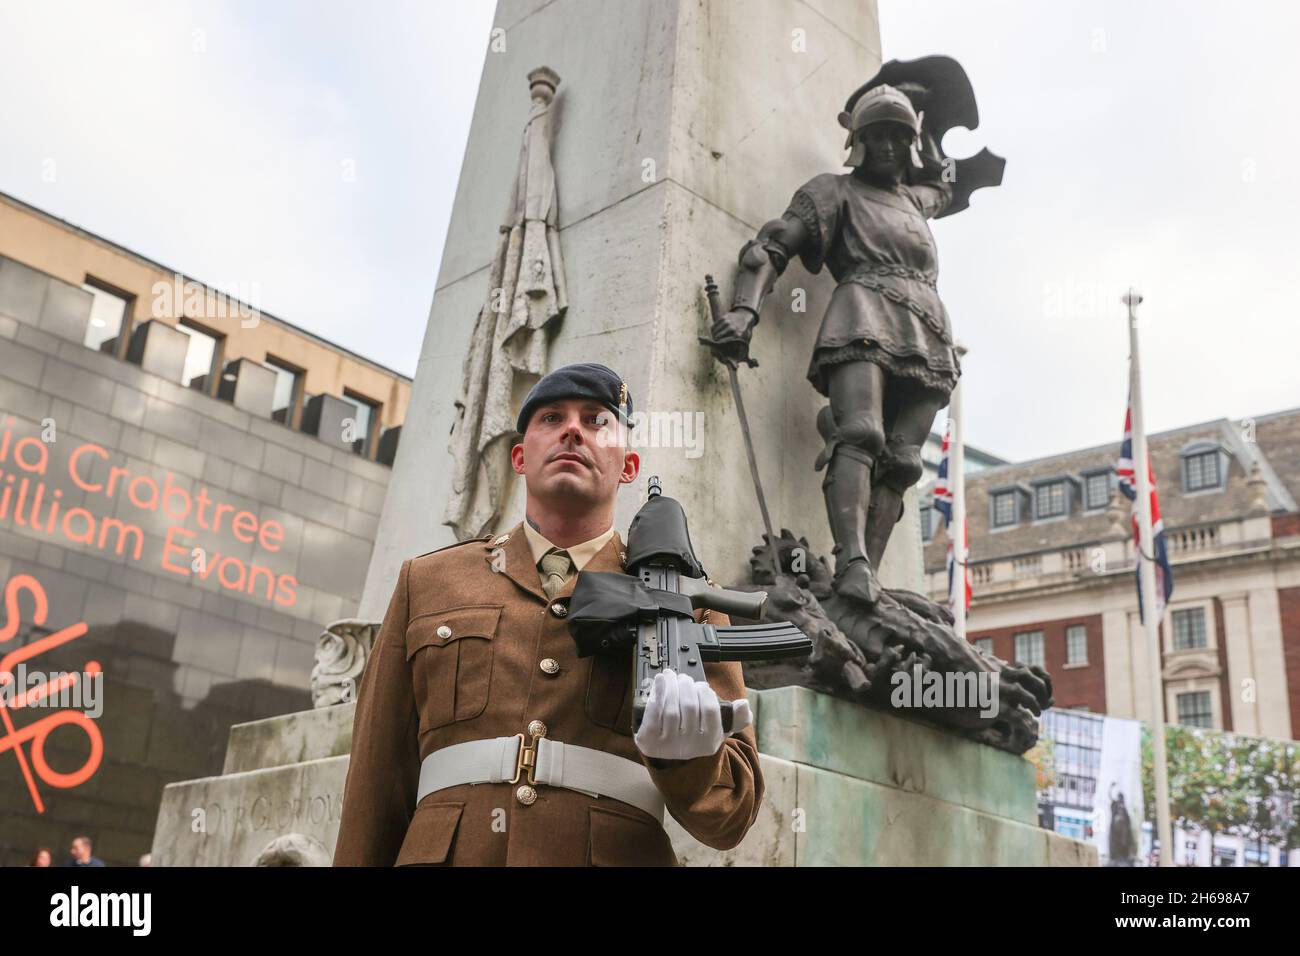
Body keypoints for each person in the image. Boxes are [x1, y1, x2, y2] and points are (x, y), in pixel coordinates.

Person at [334, 363, 764, 866]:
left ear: (628, 465)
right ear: (519, 456)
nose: (573, 430)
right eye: (552, 418)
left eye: (597, 421)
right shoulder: (427, 583)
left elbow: (730, 814)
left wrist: (689, 755)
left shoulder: (688, 600)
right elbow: (374, 783)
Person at [709, 83, 957, 607]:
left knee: (905, 460)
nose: (889, 146)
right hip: (862, 309)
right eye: (878, 135)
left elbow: (943, 184)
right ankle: (852, 562)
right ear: (859, 141)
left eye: (899, 136)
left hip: (928, 329)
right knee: (860, 431)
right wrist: (743, 312)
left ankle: (871, 578)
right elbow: (771, 246)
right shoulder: (833, 191)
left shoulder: (915, 200)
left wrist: (930, 122)